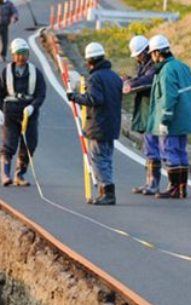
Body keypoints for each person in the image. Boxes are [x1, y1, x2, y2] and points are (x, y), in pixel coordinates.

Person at [67, 42, 124, 206]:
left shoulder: (95, 78)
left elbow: (94, 99)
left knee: (99, 159)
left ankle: (107, 192)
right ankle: (104, 192)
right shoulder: (114, 76)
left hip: (98, 125)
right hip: (112, 124)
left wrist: (75, 97)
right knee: (107, 158)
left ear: (89, 61)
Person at [0, 38, 47, 187]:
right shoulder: (5, 73)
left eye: (24, 54)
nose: (21, 58)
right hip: (10, 113)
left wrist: (33, 107)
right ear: (13, 55)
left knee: (30, 144)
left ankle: (20, 174)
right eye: (18, 54)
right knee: (9, 144)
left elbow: (41, 94)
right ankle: (5, 174)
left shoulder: (36, 73)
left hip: (29, 115)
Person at [146, 34, 191, 199]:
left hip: (172, 119)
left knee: (170, 151)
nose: (152, 58)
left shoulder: (166, 71)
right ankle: (182, 188)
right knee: (181, 152)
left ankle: (173, 188)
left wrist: (164, 120)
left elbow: (169, 97)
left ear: (158, 53)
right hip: (185, 117)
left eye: (152, 54)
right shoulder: (183, 66)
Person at [123, 34, 159, 195]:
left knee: (152, 148)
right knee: (148, 147)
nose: (137, 58)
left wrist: (129, 84)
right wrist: (129, 79)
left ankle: (153, 183)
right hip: (147, 111)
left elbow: (147, 81)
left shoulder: (153, 66)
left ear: (146, 51)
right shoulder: (145, 64)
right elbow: (141, 78)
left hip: (152, 111)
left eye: (139, 54)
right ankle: (149, 182)